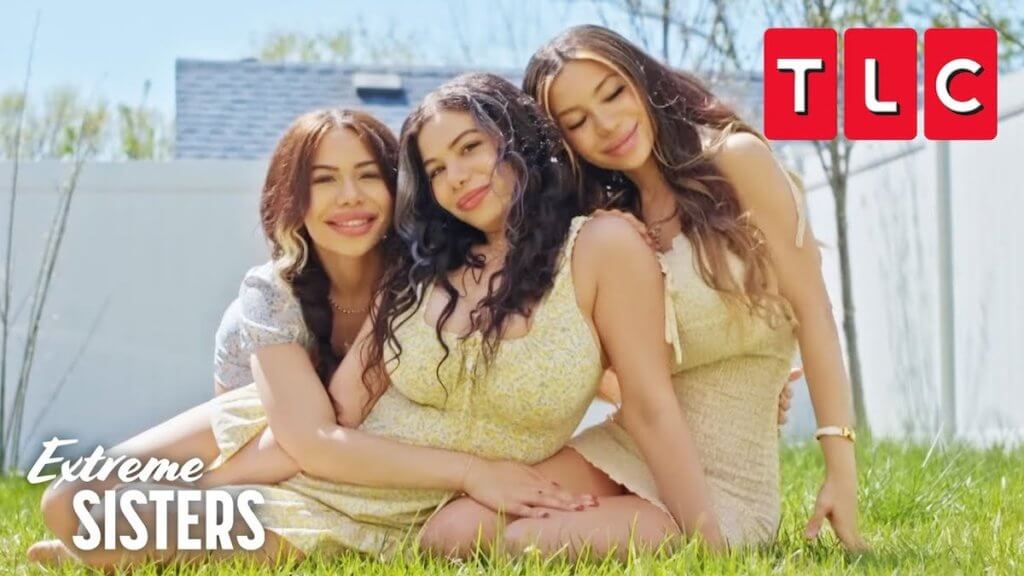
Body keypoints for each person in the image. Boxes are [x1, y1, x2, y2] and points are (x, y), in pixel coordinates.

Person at [419, 25, 864, 557]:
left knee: (526, 541)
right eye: (578, 121)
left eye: (612, 93)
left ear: (641, 79)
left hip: (722, 479)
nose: (606, 125)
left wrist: (840, 469)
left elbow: (814, 312)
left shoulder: (738, 163)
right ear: (564, 142)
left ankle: (701, 538)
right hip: (628, 446)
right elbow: (612, 371)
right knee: (450, 533)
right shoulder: (605, 226)